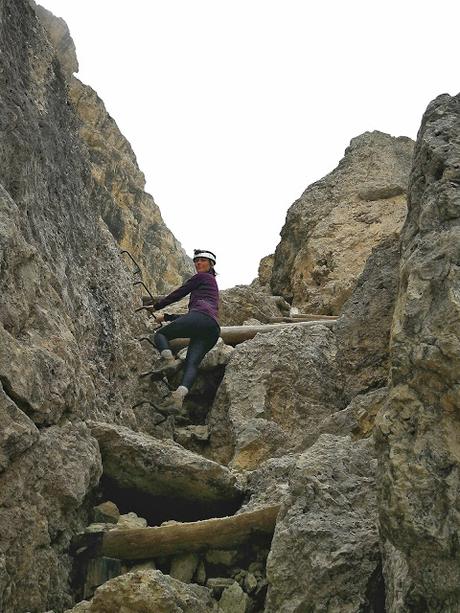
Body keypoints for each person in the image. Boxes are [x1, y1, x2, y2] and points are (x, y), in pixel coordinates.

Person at [151, 249, 220, 414]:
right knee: (192, 363)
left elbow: (180, 293)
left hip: (200, 320)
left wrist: (156, 306)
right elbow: (193, 318)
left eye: (202, 260)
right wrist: (167, 316)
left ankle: (168, 361)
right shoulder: (211, 288)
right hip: (212, 328)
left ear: (211, 264)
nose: (198, 263)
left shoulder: (202, 277)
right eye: (196, 261)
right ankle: (178, 398)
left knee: (160, 335)